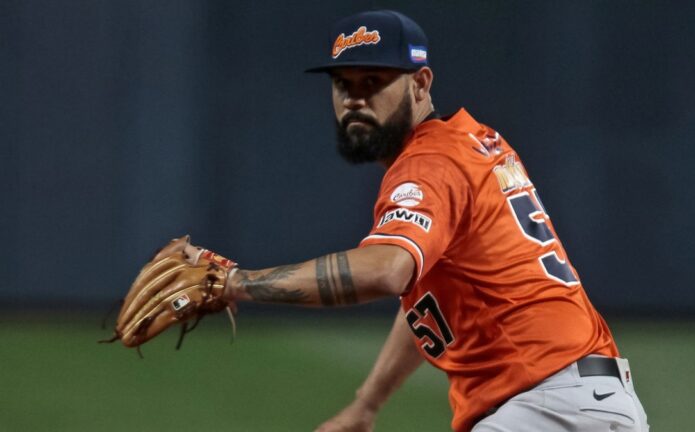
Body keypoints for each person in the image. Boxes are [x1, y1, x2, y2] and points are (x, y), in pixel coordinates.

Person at [194, 9, 649, 432]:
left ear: (420, 83)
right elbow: (427, 303)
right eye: (343, 84)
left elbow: (388, 270)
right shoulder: (466, 141)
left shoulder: (429, 164)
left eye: (373, 81)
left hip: (550, 406)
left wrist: (237, 282)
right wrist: (367, 403)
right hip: (577, 403)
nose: (355, 98)